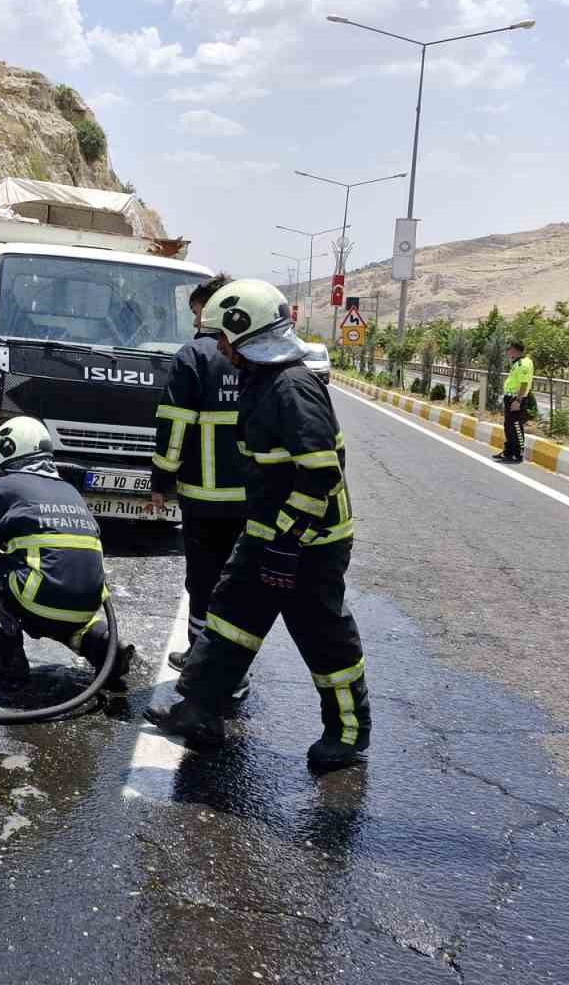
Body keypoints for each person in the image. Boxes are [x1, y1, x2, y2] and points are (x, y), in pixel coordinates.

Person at [146, 280, 369, 772]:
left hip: (309, 542)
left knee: (322, 634)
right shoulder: (261, 380)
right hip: (268, 532)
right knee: (229, 619)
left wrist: (287, 542)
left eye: (224, 336)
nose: (221, 347)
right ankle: (199, 711)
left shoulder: (291, 387)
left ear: (247, 333)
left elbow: (321, 472)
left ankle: (348, 733)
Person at [0, 416, 135, 686]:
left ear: (12, 450)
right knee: (63, 611)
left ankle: (5, 656)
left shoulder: (7, 487)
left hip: (41, 598)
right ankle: (102, 645)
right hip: (90, 599)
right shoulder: (69, 490)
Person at [149, 275, 251, 681]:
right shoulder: (255, 356)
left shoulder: (193, 356)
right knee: (238, 582)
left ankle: (200, 661)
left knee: (203, 580)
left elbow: (173, 428)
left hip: (204, 499)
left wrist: (161, 480)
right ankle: (231, 665)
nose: (195, 323)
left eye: (197, 313)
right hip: (250, 497)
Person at [497, 340, 534, 464]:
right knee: (508, 426)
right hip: (511, 398)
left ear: (515, 350)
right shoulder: (519, 362)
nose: (508, 351)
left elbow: (524, 384)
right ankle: (508, 452)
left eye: (509, 349)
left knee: (516, 426)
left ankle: (517, 454)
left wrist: (518, 400)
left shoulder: (522, 364)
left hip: (516, 399)